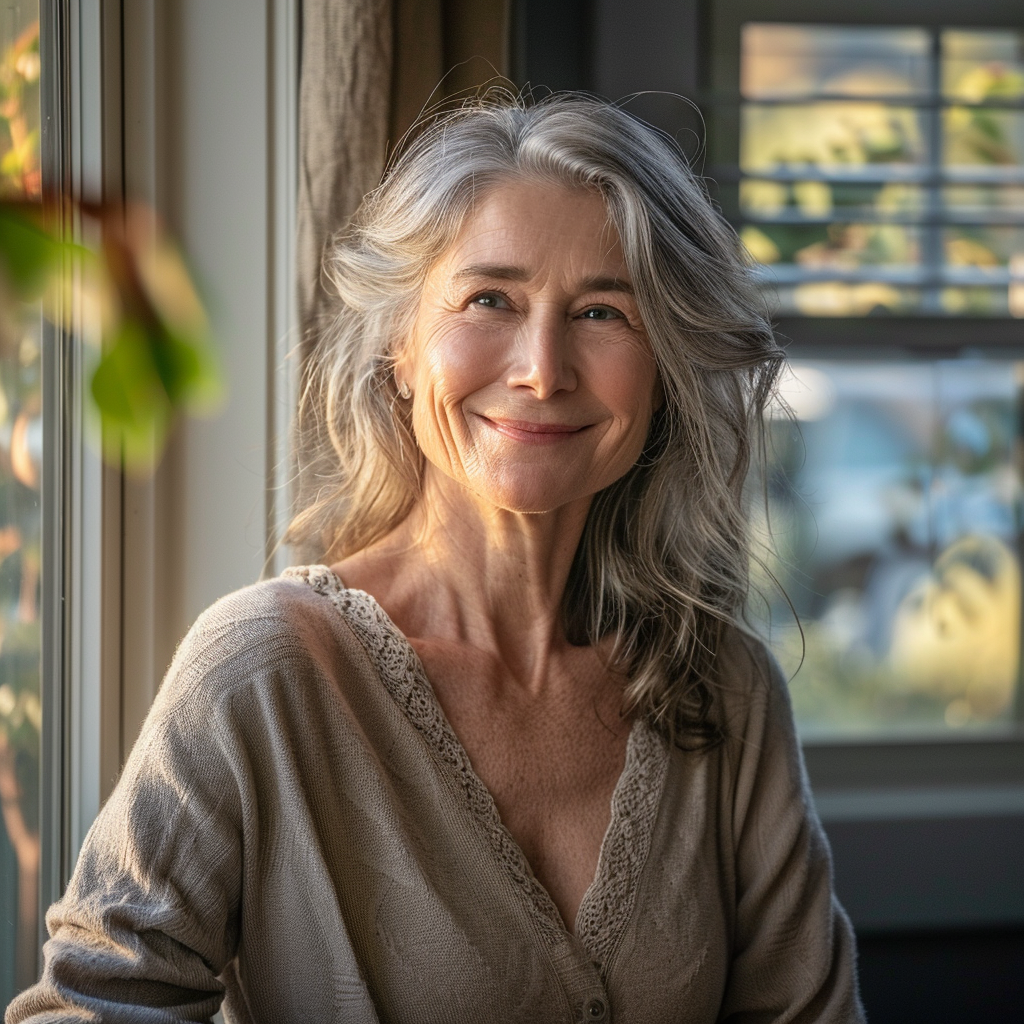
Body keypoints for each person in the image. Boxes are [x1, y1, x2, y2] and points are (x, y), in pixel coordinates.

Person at [7, 90, 865, 1024]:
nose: (542, 367)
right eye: (489, 298)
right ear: (400, 348)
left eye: (604, 313)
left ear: (665, 366)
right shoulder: (262, 674)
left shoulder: (724, 689)